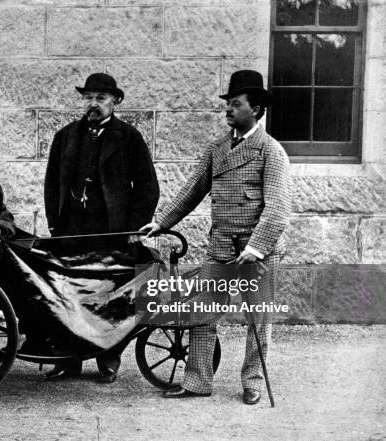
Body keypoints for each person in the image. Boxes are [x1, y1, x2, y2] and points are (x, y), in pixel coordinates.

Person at [141, 70, 292, 405]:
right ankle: (197, 381)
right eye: (227, 103)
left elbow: (278, 208)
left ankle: (252, 382)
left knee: (259, 319)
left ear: (255, 110)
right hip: (222, 245)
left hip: (258, 250)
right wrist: (161, 223)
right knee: (202, 312)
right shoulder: (217, 148)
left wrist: (256, 248)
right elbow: (191, 191)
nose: (228, 110)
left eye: (235, 104)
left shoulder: (271, 151)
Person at [43, 72, 160, 383]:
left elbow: (148, 187)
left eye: (100, 98)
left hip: (111, 231)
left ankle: (108, 359)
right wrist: (55, 224)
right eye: (88, 98)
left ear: (115, 101)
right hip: (71, 231)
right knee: (70, 293)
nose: (93, 104)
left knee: (109, 295)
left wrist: (134, 227)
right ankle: (69, 359)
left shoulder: (129, 137)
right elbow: (52, 184)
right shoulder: (65, 137)